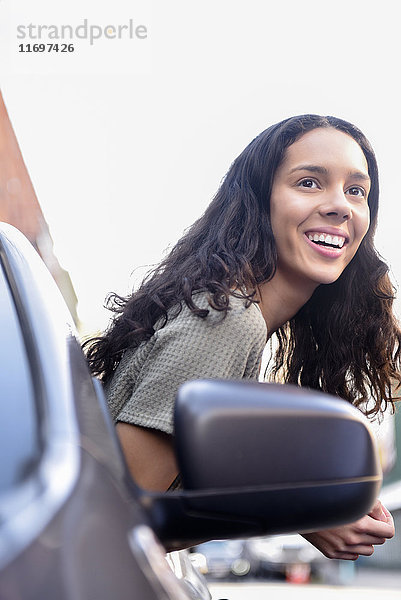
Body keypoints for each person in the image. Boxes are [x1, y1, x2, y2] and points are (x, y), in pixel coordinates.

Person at [83, 114, 400, 560]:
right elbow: (113, 521)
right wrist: (303, 509)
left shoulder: (231, 315)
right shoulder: (227, 320)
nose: (341, 205)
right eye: (309, 182)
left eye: (356, 190)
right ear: (259, 200)